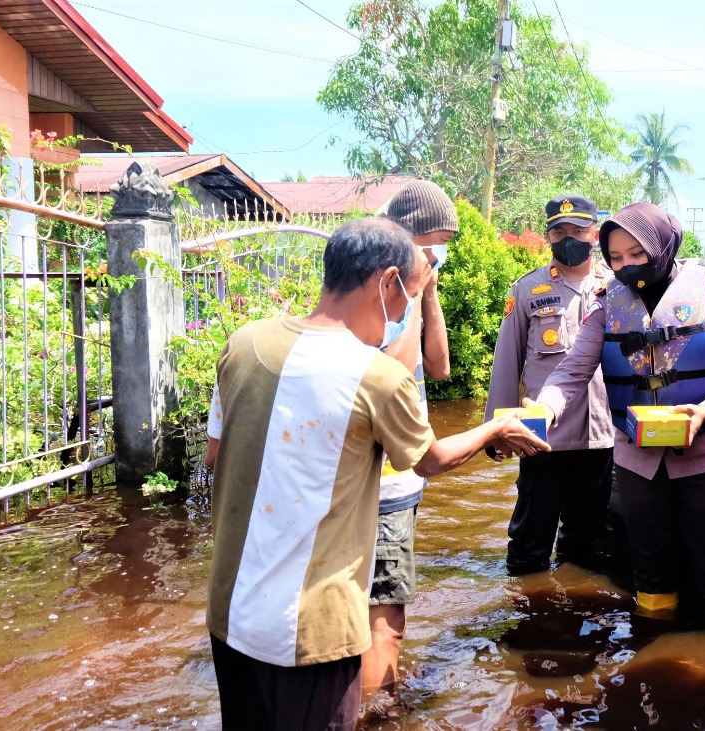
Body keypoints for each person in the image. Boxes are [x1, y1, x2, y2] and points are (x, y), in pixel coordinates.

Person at [202, 218, 549, 730]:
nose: (408, 307)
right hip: (312, 631)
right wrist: (492, 432)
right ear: (387, 283)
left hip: (231, 613)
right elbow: (428, 460)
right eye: (410, 294)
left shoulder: (246, 344)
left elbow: (216, 456)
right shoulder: (378, 376)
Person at [529, 202, 705, 631]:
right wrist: (545, 408)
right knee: (650, 574)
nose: (627, 266)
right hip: (637, 463)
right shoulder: (605, 302)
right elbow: (573, 369)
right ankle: (648, 665)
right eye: (615, 258)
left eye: (637, 254)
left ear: (661, 246)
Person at [484, 194, 615, 574]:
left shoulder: (616, 288)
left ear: (595, 234)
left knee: (584, 542)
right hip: (542, 437)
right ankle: (526, 611)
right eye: (559, 232)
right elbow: (507, 363)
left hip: (601, 436)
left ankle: (571, 617)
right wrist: (497, 431)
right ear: (548, 237)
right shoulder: (528, 289)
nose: (568, 238)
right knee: (530, 540)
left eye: (578, 230)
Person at [366, 179, 456, 699]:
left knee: (378, 611)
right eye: (429, 246)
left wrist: (429, 292)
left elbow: (438, 369)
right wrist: (414, 291)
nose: (435, 257)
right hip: (382, 483)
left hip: (405, 478)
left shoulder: (413, 293)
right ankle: (377, 708)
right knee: (385, 617)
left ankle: (369, 694)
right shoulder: (371, 292)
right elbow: (394, 374)